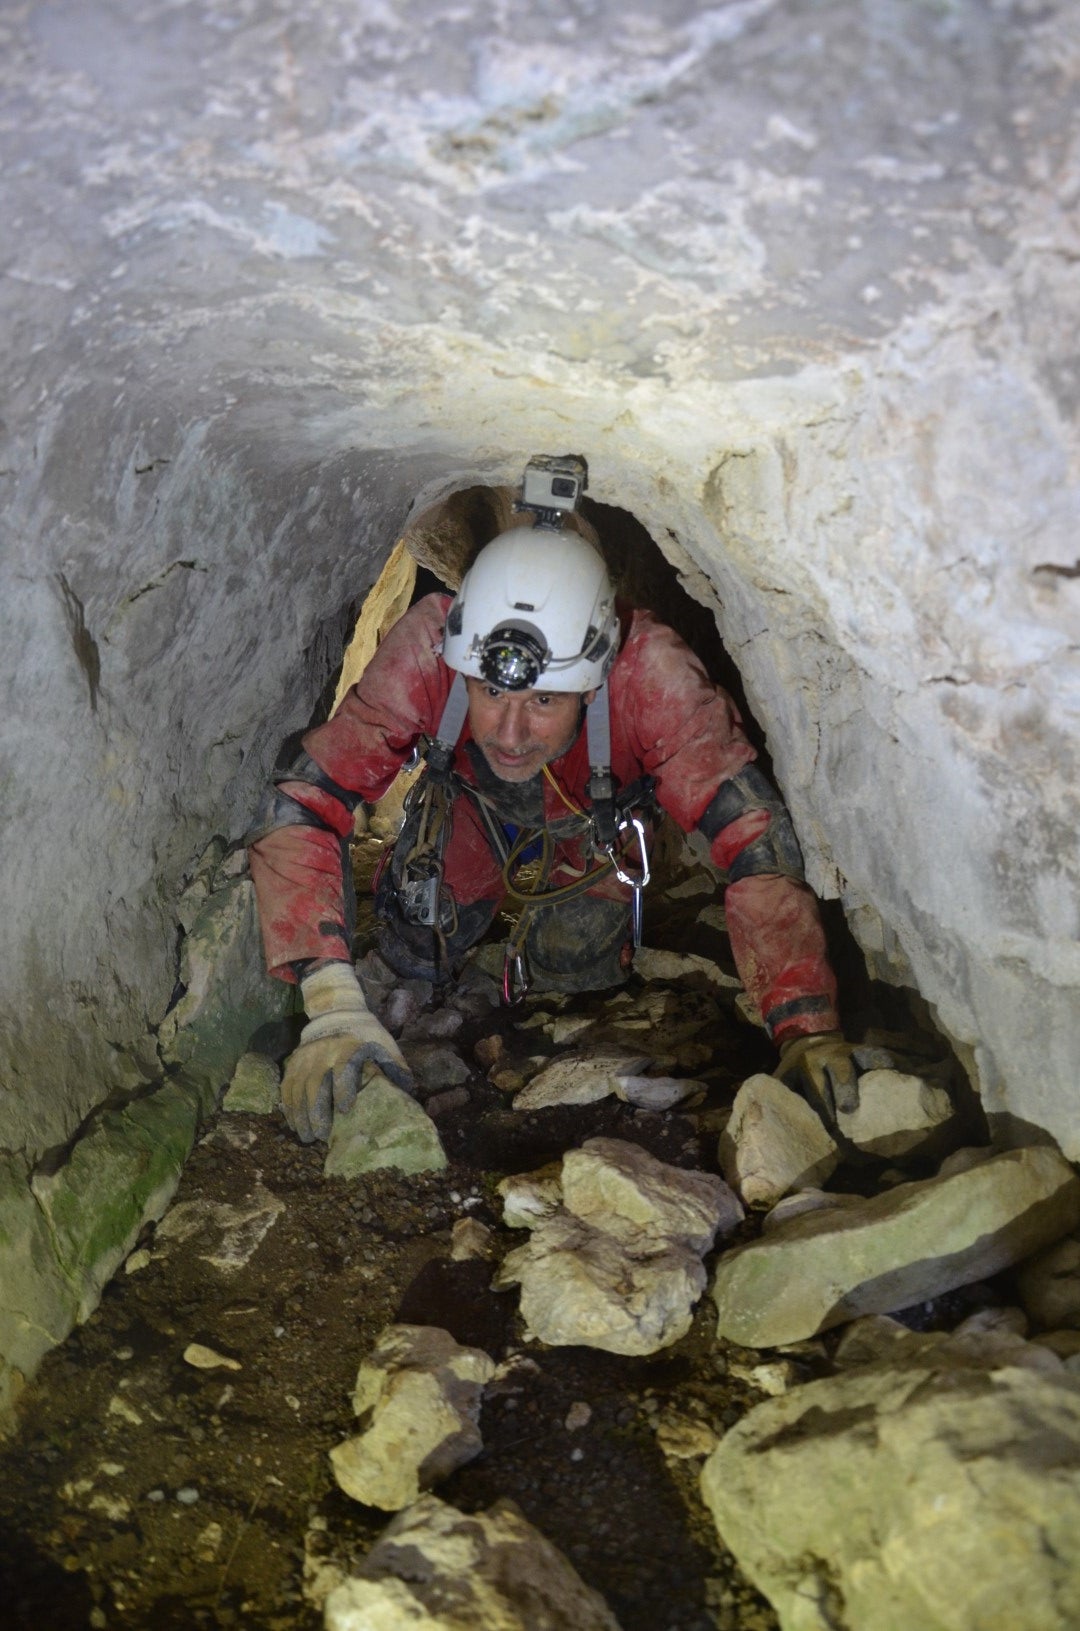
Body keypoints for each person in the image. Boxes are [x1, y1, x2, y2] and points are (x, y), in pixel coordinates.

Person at [248, 471, 857, 1143]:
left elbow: (752, 839)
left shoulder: (648, 671)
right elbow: (306, 803)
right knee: (415, 939)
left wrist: (804, 1025)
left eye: (544, 700)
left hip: (589, 832)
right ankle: (428, 953)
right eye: (488, 692)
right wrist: (331, 1003)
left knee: (578, 973)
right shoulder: (433, 647)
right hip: (471, 809)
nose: (510, 734)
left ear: (593, 680)